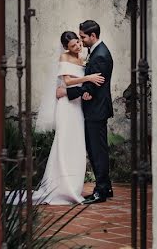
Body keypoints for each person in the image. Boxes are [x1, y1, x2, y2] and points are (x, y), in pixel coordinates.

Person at [30, 30, 105, 205]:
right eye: (73, 45)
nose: (78, 46)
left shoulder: (82, 58)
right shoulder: (64, 58)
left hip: (77, 105)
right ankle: (62, 188)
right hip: (66, 107)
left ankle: (73, 185)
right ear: (66, 48)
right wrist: (89, 78)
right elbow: (68, 82)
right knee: (64, 143)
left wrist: (86, 91)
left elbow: (79, 85)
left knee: (77, 145)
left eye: (78, 42)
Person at [56, 20, 113, 204]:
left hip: (96, 110)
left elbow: (93, 84)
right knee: (98, 149)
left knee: (97, 151)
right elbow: (89, 84)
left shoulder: (100, 55)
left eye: (82, 37)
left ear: (93, 36)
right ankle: (106, 186)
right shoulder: (97, 52)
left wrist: (67, 92)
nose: (81, 41)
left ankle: (101, 191)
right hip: (94, 107)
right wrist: (86, 91)